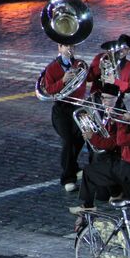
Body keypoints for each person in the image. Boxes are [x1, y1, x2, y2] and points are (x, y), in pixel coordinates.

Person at [70, 95, 130, 218]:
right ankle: (88, 206)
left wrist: (120, 123)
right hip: (122, 166)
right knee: (90, 171)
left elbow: (121, 141)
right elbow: (113, 140)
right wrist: (113, 120)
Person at [44, 42, 87, 192]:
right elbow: (49, 90)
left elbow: (87, 80)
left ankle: (72, 166)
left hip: (77, 106)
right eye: (65, 46)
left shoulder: (79, 64)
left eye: (72, 47)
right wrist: (63, 80)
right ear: (59, 48)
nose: (69, 49)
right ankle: (68, 178)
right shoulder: (51, 68)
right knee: (68, 141)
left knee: (82, 137)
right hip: (61, 109)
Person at [87, 34, 130, 102]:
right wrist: (99, 69)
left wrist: (114, 81)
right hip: (97, 96)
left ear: (129, 50)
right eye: (120, 47)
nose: (122, 50)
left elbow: (128, 88)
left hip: (115, 100)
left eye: (125, 48)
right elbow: (89, 78)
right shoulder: (100, 58)